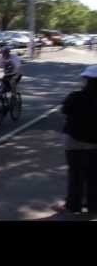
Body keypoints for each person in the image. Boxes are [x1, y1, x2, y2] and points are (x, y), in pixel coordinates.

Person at [53, 65, 97, 215]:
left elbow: (64, 111)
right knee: (93, 174)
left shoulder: (75, 96)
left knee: (75, 173)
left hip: (74, 140)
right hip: (95, 142)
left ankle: (73, 206)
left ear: (87, 80)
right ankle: (93, 205)